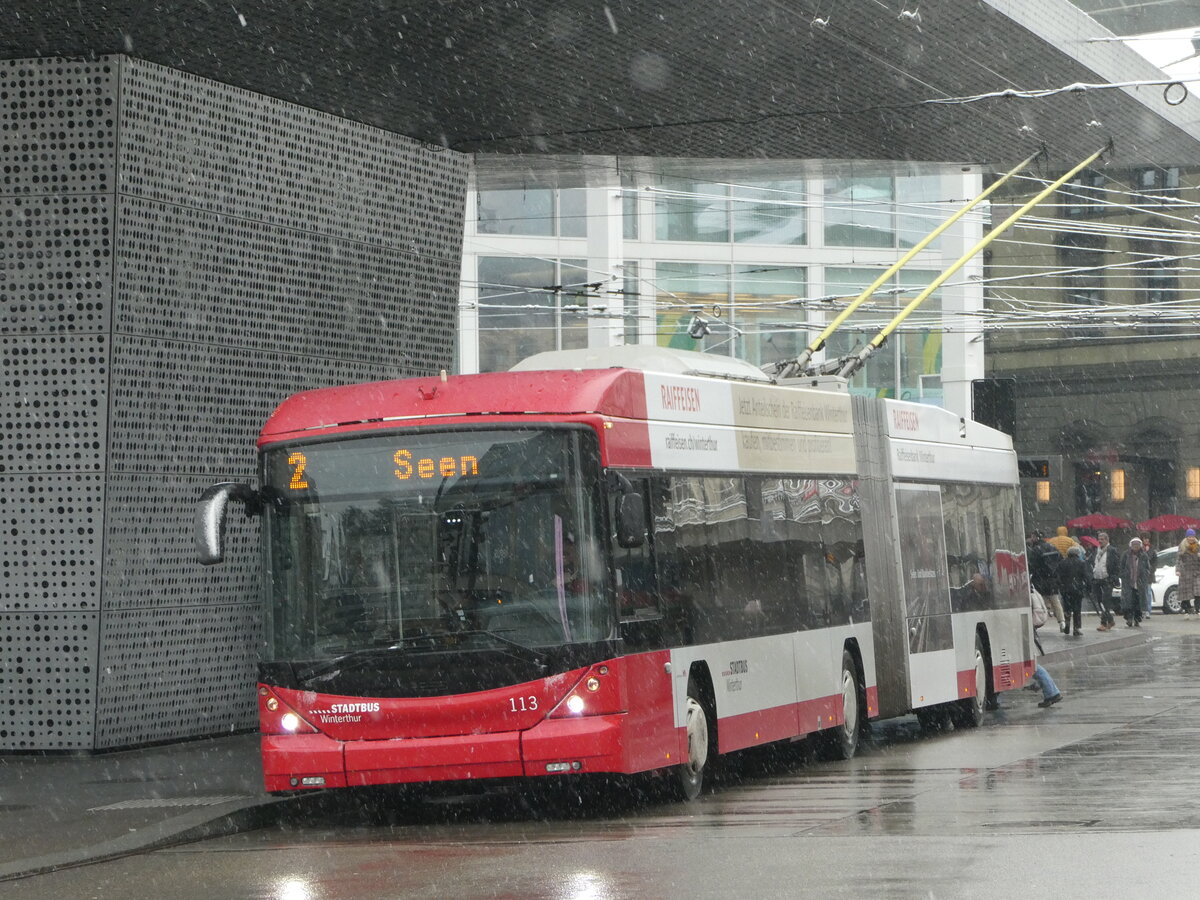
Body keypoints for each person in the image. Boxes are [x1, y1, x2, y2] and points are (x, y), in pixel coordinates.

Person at [1029, 587, 1063, 707]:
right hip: (1024, 625)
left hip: (1021, 627)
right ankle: (1050, 691)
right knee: (1029, 663)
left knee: (1029, 663)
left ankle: (1051, 692)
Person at [1026, 530, 1065, 631]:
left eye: (1032, 537)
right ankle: (1062, 622)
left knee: (1041, 601)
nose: (1031, 539)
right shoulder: (1052, 547)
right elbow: (1060, 560)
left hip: (1040, 579)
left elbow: (1032, 565)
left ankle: (1040, 622)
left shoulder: (1035, 549)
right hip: (1053, 579)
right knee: (1055, 601)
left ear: (1035, 537)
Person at [1088, 531, 1120, 631]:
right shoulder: (1096, 551)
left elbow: (1116, 565)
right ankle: (1110, 620)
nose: (1100, 541)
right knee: (1099, 601)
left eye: (1102, 539)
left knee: (1106, 601)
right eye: (1099, 539)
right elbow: (1092, 563)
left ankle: (1104, 623)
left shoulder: (1112, 550)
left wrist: (1113, 577)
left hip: (1107, 579)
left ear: (1107, 540)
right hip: (1097, 579)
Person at [1120, 537, 1153, 627]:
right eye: (1134, 545)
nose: (1135, 546)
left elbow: (1147, 568)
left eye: (1137, 545)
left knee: (1138, 601)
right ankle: (1129, 618)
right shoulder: (1126, 555)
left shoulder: (1143, 556)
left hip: (1140, 582)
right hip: (1128, 582)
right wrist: (1124, 575)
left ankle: (1137, 618)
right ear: (1131, 546)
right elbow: (1121, 567)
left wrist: (1144, 576)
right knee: (1129, 601)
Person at [1059, 545, 1089, 636]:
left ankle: (1067, 625)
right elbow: (1086, 576)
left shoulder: (1062, 563)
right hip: (1077, 590)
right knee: (1077, 610)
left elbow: (1058, 576)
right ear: (1077, 554)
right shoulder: (1081, 563)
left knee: (1067, 608)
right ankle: (1076, 628)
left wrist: (1061, 586)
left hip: (1066, 589)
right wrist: (1088, 587)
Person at [1177, 528, 1200, 616]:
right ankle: (1187, 608)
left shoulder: (1198, 546)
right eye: (1190, 536)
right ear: (1187, 537)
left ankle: (1198, 608)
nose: (1191, 538)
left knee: (1198, 591)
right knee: (1186, 592)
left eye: (1193, 536)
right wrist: (1178, 570)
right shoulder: (1182, 546)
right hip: (1186, 572)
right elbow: (1178, 559)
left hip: (1196, 572)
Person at [1139, 531, 1158, 620]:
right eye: (1144, 539)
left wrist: (1152, 570)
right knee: (1141, 592)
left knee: (1148, 592)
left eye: (1147, 539)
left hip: (1149, 574)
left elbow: (1155, 561)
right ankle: (1142, 610)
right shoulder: (1139, 548)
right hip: (1140, 574)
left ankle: (1148, 610)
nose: (1146, 540)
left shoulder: (1152, 549)